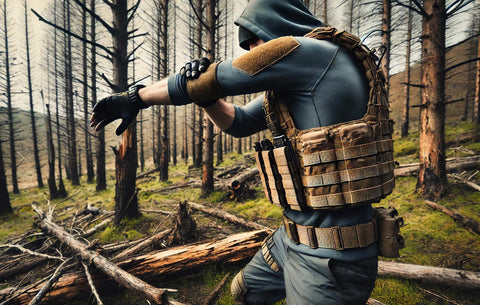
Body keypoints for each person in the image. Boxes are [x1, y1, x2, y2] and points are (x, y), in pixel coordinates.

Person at [90, 0, 389, 303]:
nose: (252, 52)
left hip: (332, 255)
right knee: (247, 291)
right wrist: (206, 98)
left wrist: (136, 97)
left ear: (277, 24)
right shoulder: (302, 78)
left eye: (254, 40)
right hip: (292, 238)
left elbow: (212, 79)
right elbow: (240, 121)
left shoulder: (312, 54)